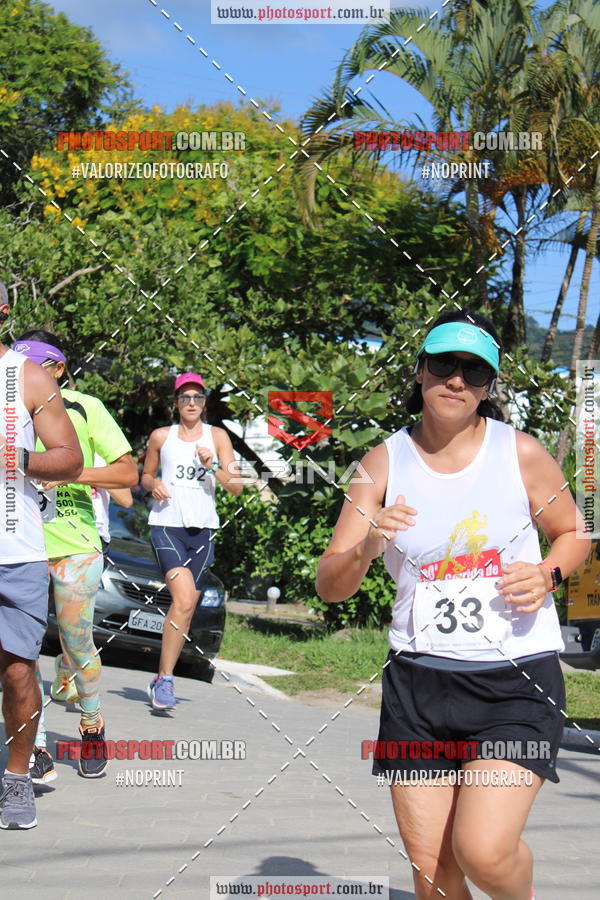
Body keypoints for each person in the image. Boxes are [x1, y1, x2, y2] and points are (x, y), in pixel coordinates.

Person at [316, 309, 590, 900]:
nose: (457, 380)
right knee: (435, 879)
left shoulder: (520, 453)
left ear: (490, 386)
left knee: (484, 853)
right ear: (419, 372)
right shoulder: (380, 464)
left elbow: (578, 532)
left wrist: (548, 573)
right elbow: (330, 584)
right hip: (418, 684)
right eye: (444, 364)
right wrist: (367, 546)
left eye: (475, 371)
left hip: (516, 682)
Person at [12, 331, 138, 781]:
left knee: (75, 638)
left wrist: (66, 472)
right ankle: (37, 745)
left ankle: (92, 724)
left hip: (76, 544)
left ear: (59, 369)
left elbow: (127, 472)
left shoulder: (84, 406)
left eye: (36, 365)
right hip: (20, 543)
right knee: (19, 651)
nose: (25, 374)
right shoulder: (9, 404)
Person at [0, 285, 83, 829]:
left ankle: (15, 775)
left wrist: (16, 456)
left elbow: (71, 458)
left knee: (17, 673)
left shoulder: (27, 378)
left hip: (16, 551)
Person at [141, 373, 242, 711]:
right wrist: (151, 482)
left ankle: (161, 678)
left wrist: (211, 467)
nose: (192, 404)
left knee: (185, 608)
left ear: (205, 402)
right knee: (183, 598)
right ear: (176, 403)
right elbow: (144, 475)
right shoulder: (161, 437)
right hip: (167, 526)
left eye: (198, 397)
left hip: (202, 531)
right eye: (185, 398)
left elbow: (236, 486)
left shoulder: (218, 437)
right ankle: (167, 679)